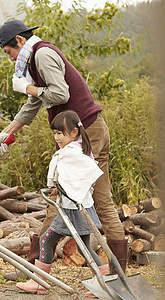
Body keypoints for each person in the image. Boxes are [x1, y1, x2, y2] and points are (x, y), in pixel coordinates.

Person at [0, 20, 127, 279]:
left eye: (8, 52)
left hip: (86, 133)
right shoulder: (33, 60)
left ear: (19, 42)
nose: (10, 59)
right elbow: (34, 105)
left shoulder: (42, 55)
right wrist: (7, 132)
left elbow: (60, 94)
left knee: (65, 198)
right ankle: (115, 273)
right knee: (96, 201)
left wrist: (29, 88)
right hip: (90, 130)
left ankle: (37, 271)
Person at [16, 111, 106, 297]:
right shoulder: (78, 150)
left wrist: (62, 187)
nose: (57, 138)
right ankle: (104, 283)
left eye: (60, 133)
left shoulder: (73, 153)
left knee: (47, 240)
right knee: (84, 247)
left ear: (74, 133)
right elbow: (73, 179)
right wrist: (60, 188)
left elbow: (76, 178)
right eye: (55, 133)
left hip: (73, 209)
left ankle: (39, 282)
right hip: (76, 207)